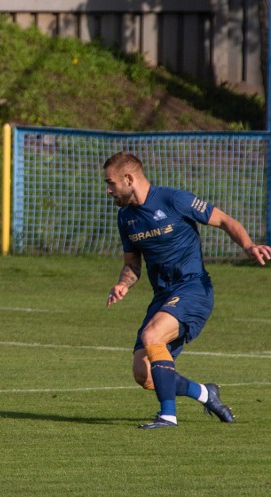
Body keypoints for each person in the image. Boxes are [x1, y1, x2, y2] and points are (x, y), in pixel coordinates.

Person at [103, 151, 271, 429]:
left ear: (129, 178)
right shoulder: (126, 218)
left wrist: (249, 246)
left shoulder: (174, 199)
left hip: (194, 288)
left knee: (152, 335)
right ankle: (206, 393)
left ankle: (168, 416)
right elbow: (132, 266)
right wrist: (123, 284)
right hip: (163, 296)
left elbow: (226, 221)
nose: (108, 190)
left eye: (111, 183)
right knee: (144, 375)